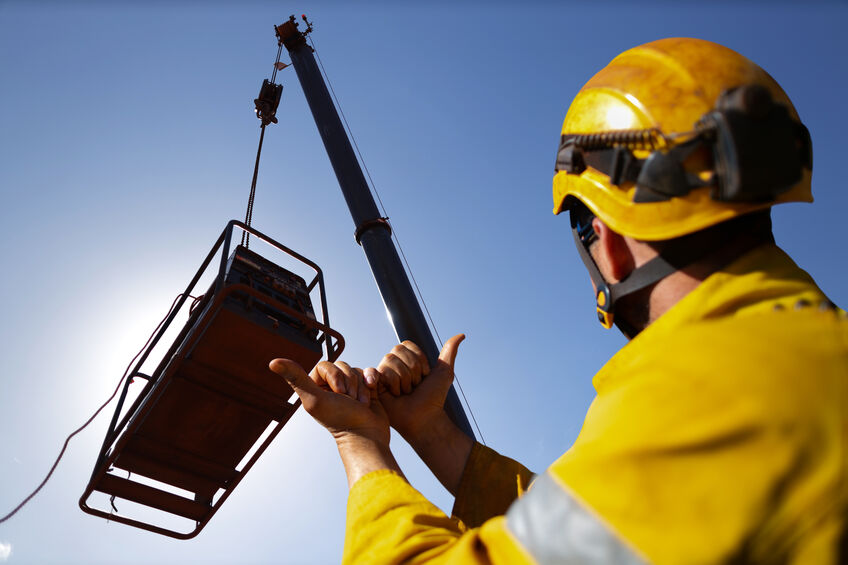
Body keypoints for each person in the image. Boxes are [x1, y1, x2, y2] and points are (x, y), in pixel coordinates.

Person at [270, 38, 847, 564]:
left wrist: (361, 444)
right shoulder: (799, 363)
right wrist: (432, 435)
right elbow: (588, 531)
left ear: (609, 241)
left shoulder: (715, 395)